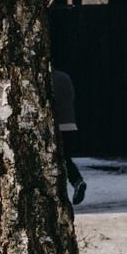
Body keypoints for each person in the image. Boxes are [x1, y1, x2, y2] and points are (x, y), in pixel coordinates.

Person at [49, 67, 86, 206]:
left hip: (55, 124)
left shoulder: (45, 79)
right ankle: (76, 181)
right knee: (64, 157)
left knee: (59, 159)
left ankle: (74, 181)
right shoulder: (65, 77)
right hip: (70, 123)